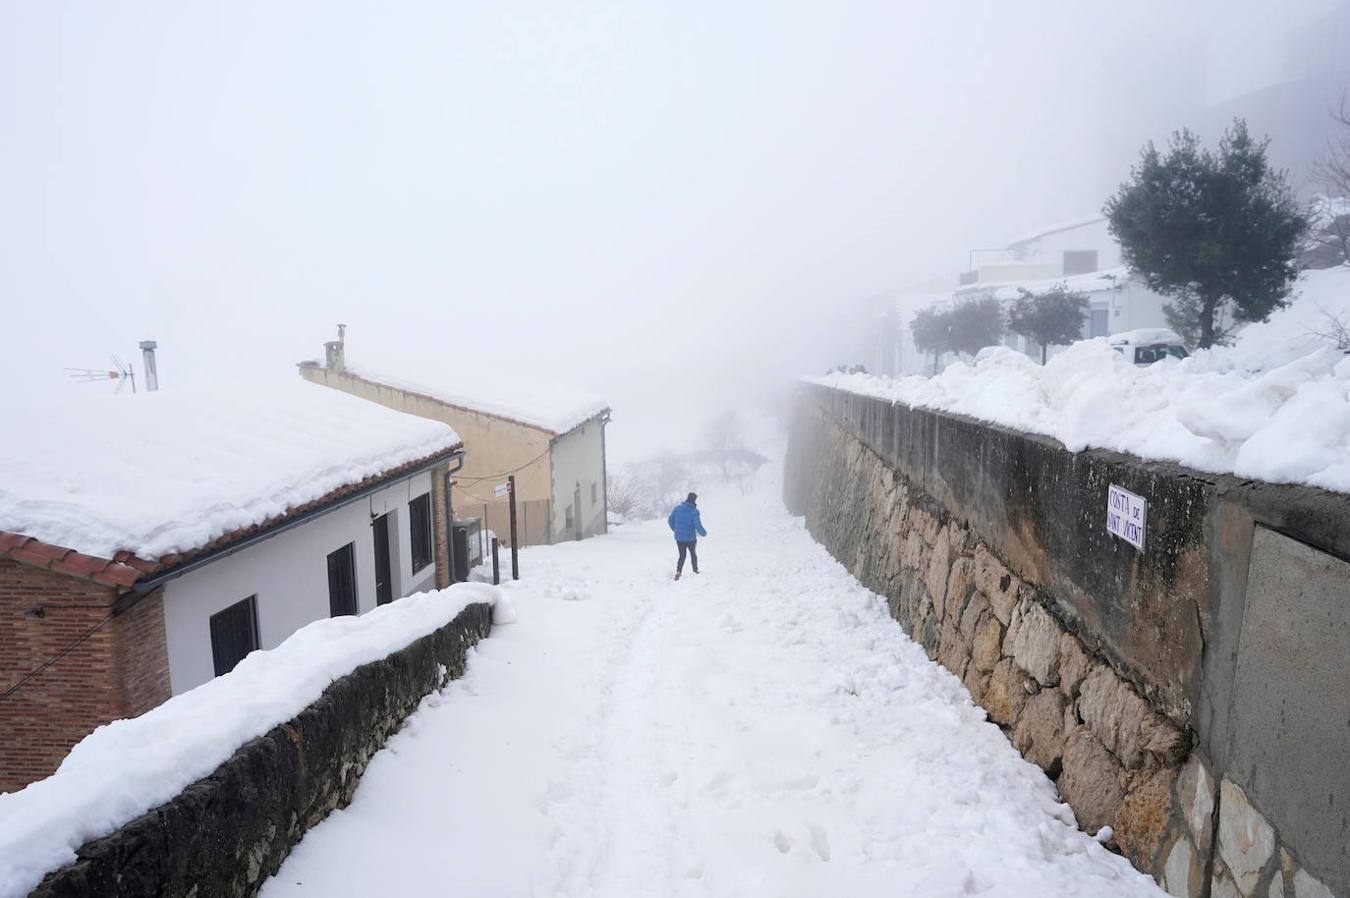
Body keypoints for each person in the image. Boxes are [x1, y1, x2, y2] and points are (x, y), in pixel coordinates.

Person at [667, 492, 707, 581]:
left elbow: (670, 520)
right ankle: (695, 570)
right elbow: (697, 525)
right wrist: (703, 533)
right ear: (694, 500)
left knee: (682, 555)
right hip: (691, 538)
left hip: (679, 538)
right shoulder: (694, 511)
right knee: (693, 554)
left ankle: (678, 572)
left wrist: (676, 529)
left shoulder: (677, 509)